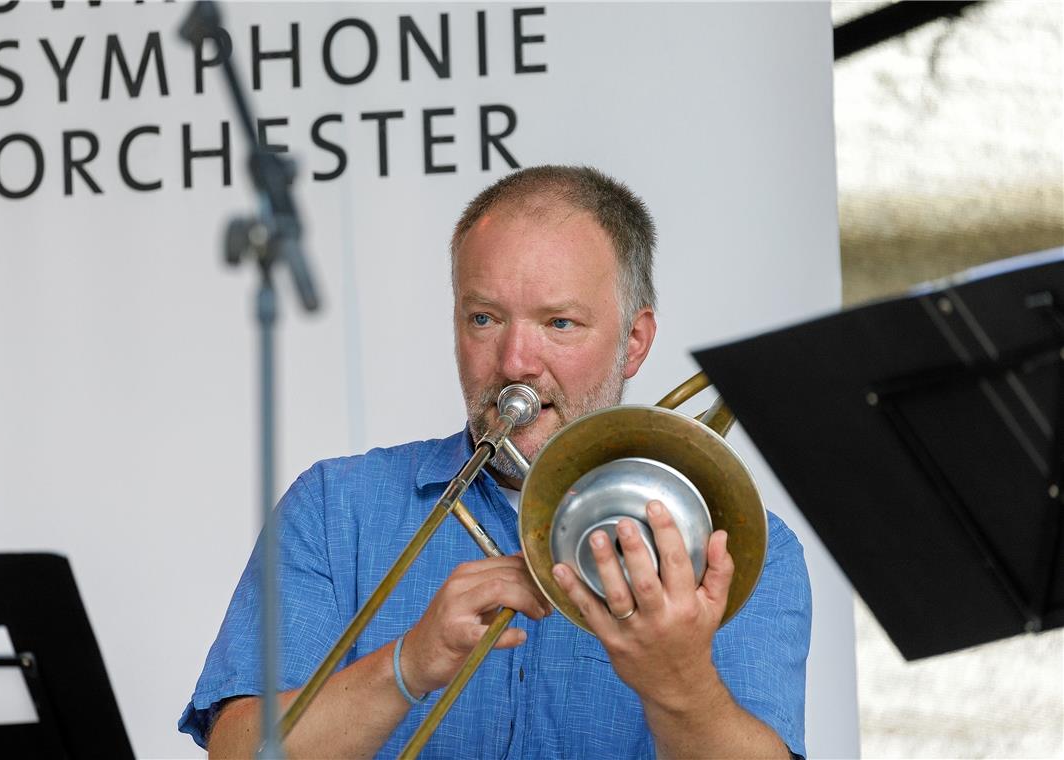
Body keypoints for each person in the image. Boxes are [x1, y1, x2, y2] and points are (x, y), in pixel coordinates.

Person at [179, 165, 812, 759]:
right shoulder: (334, 505)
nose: (514, 363)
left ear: (635, 342)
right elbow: (235, 750)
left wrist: (677, 679)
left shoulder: (738, 543)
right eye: (484, 318)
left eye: (559, 324)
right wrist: (407, 664)